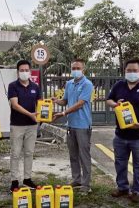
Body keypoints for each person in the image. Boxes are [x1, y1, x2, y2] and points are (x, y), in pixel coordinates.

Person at [106, 58, 139, 203]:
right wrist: (115, 104)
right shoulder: (119, 86)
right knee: (120, 162)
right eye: (129, 70)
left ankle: (136, 191)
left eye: (135, 70)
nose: (131, 73)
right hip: (120, 134)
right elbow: (109, 100)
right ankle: (122, 187)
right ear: (124, 71)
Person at [53, 58, 94, 194]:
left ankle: (86, 185)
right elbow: (65, 101)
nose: (75, 70)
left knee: (84, 155)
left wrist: (63, 113)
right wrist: (56, 101)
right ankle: (76, 179)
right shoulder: (69, 83)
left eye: (78, 68)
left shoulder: (87, 84)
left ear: (83, 70)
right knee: (73, 155)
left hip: (83, 125)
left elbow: (80, 103)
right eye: (73, 68)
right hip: (70, 125)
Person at [7, 60, 41, 192]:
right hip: (17, 125)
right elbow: (14, 105)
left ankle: (27, 179)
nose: (24, 72)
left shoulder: (35, 87)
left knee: (29, 153)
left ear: (30, 71)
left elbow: (40, 104)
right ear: (17, 72)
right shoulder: (13, 86)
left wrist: (43, 115)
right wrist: (30, 114)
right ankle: (14, 181)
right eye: (22, 70)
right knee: (15, 153)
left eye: (27, 70)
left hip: (32, 126)